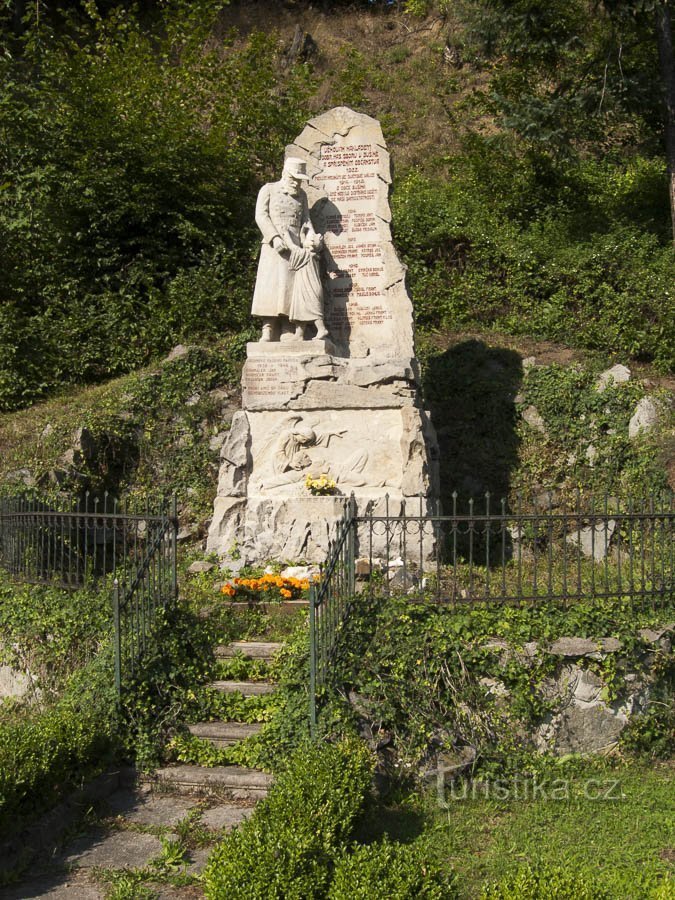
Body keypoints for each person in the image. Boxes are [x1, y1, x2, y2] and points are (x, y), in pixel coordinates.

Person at [251, 157, 329, 342]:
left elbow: (306, 221)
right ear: (285, 174)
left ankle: (287, 327)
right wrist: (274, 237)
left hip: (295, 248)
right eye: (294, 178)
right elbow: (261, 216)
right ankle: (268, 328)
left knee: (290, 288)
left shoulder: (302, 195)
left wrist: (312, 240)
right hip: (273, 246)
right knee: (270, 287)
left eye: (299, 179)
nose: (297, 182)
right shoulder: (268, 189)